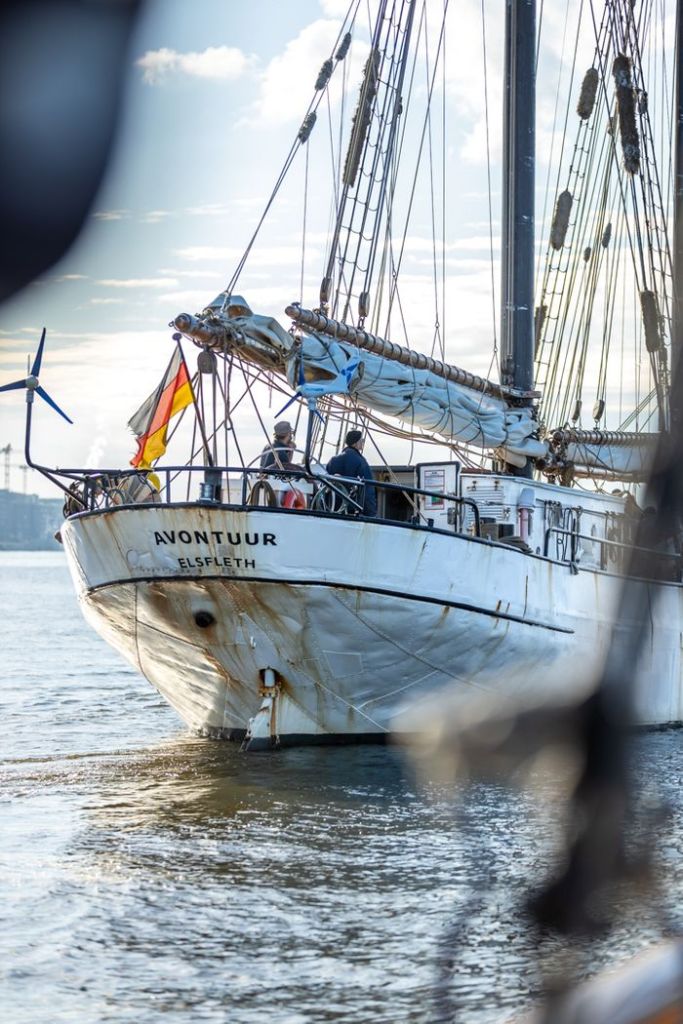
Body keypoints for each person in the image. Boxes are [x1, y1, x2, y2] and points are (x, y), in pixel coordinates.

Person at [326, 429, 377, 517]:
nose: (363, 443)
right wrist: (371, 515)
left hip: (333, 510)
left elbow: (326, 484)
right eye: (361, 440)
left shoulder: (333, 460)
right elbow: (368, 490)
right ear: (355, 443)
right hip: (353, 512)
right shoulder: (360, 462)